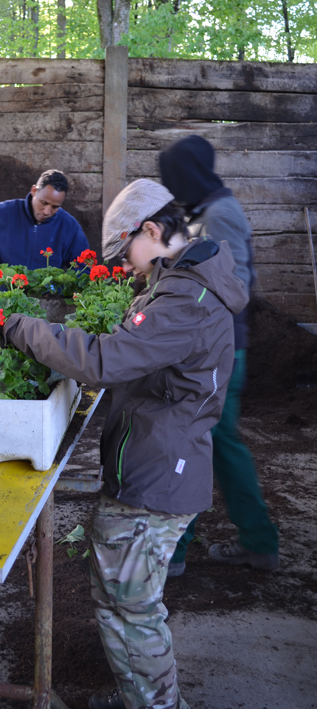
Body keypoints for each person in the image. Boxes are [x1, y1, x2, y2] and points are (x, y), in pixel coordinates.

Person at [2, 179, 249, 709]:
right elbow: (130, 345)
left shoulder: (185, 298)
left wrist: (21, 328)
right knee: (122, 598)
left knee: (131, 606)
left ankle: (157, 704)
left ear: (153, 230)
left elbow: (105, 362)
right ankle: (141, 694)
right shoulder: (184, 285)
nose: (127, 267)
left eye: (126, 252)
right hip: (159, 460)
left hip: (158, 476)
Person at [159, 135, 279, 576]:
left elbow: (235, 288)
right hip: (214, 349)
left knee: (203, 444)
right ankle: (257, 542)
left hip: (221, 352)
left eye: (174, 179)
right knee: (215, 445)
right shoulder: (203, 213)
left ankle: (174, 553)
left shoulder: (221, 215)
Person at [0, 169, 89, 270]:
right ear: (34, 191)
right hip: (3, 296)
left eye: (55, 207)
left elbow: (84, 267)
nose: (47, 211)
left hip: (49, 300)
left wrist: (64, 289)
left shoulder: (69, 226)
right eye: (44, 203)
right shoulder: (3, 213)